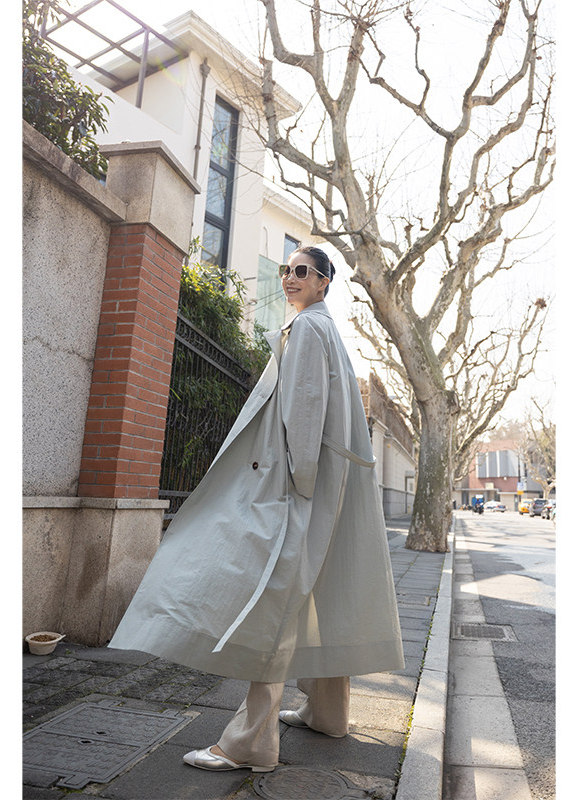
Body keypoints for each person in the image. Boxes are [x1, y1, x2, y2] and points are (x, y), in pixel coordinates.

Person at [108, 246, 404, 772]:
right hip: (329, 482)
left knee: (275, 600)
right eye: (287, 270)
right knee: (321, 588)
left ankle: (250, 744)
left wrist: (295, 486)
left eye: (302, 271)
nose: (289, 277)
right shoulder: (324, 328)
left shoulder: (308, 328)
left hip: (300, 485)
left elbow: (303, 412)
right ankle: (328, 713)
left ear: (324, 282)